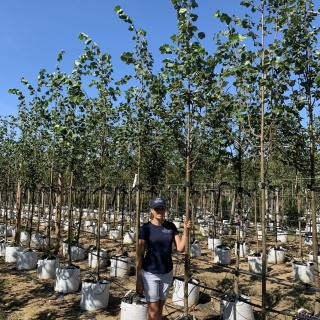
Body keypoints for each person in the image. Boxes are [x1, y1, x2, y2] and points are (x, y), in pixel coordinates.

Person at [136, 196, 192, 320]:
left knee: (160, 309)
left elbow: (180, 248)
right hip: (150, 273)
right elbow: (140, 254)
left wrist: (186, 231)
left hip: (167, 273)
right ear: (151, 210)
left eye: (162, 208)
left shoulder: (171, 227)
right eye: (157, 209)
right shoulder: (145, 229)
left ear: (165, 209)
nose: (160, 211)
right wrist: (138, 278)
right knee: (153, 311)